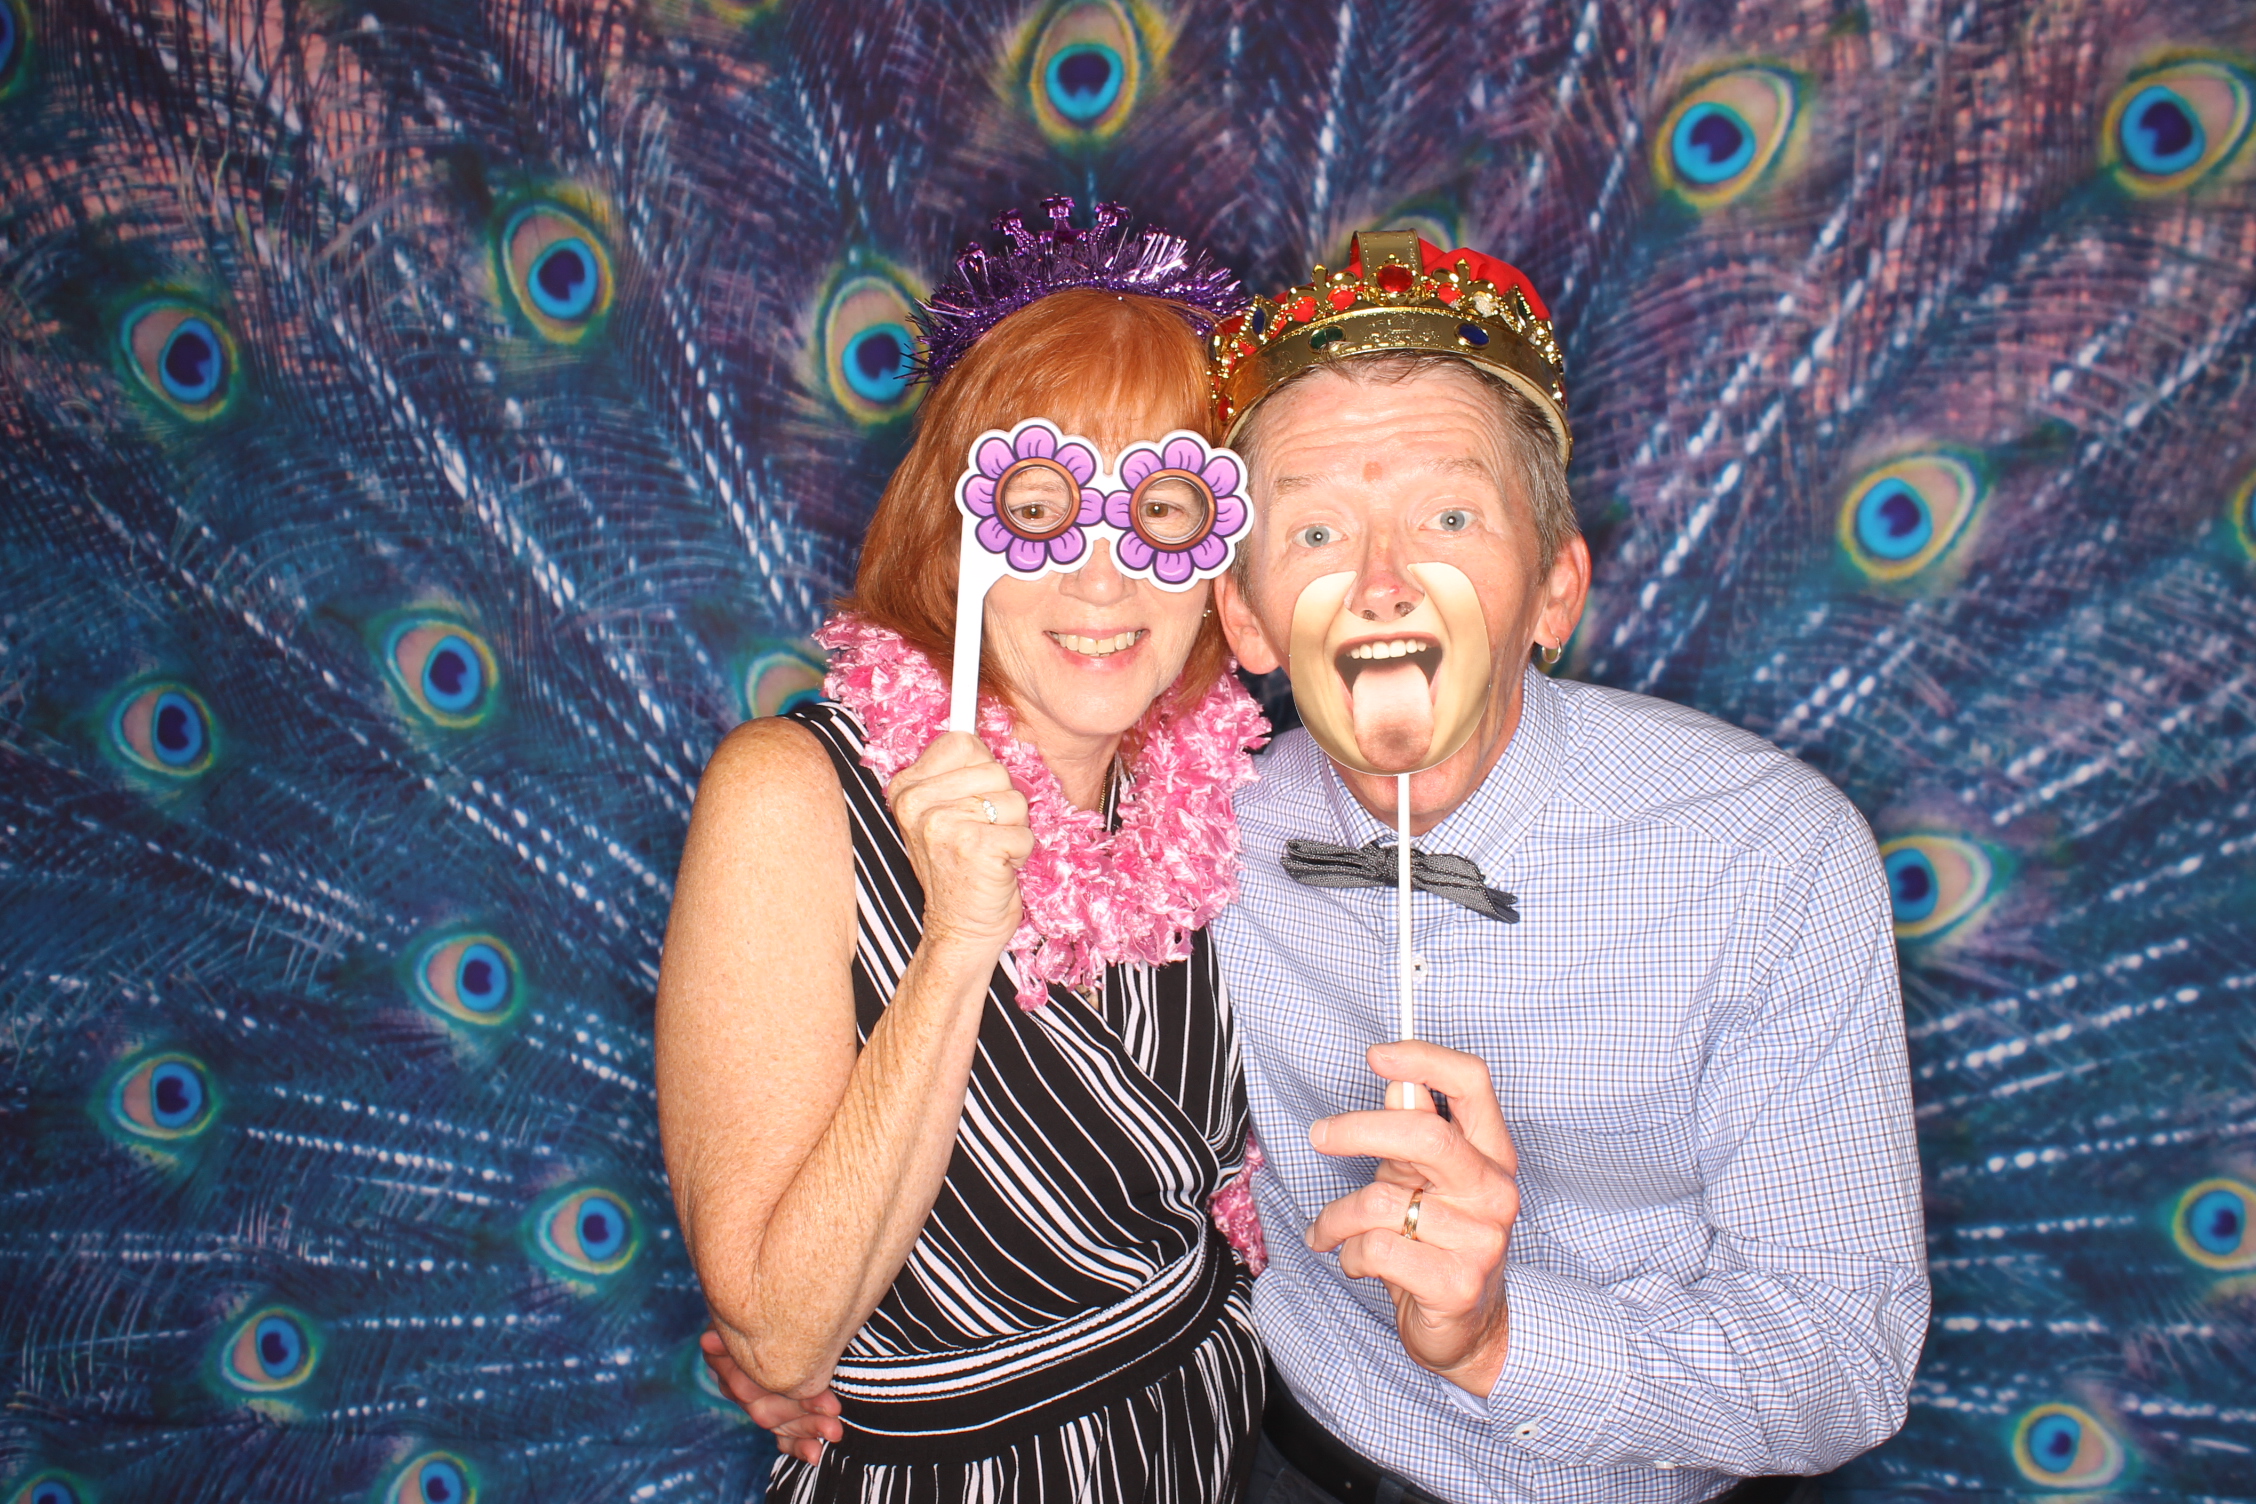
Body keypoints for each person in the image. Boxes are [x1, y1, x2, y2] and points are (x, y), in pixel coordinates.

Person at [713, 230, 1930, 1504]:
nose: (1385, 582)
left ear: (1556, 592)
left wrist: (1507, 1342)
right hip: (1266, 1462)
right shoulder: (1199, 828)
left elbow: (1849, 1355)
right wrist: (814, 1325)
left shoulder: (1770, 856)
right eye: (1314, 532)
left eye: (1449, 516)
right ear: (1244, 617)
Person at [654, 201, 1271, 1504]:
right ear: (956, 531)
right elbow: (780, 1332)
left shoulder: (1245, 803)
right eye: (1042, 507)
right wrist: (956, 940)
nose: (1104, 583)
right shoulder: (791, 796)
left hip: (1205, 1453)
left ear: (1222, 554)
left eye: (1160, 510)